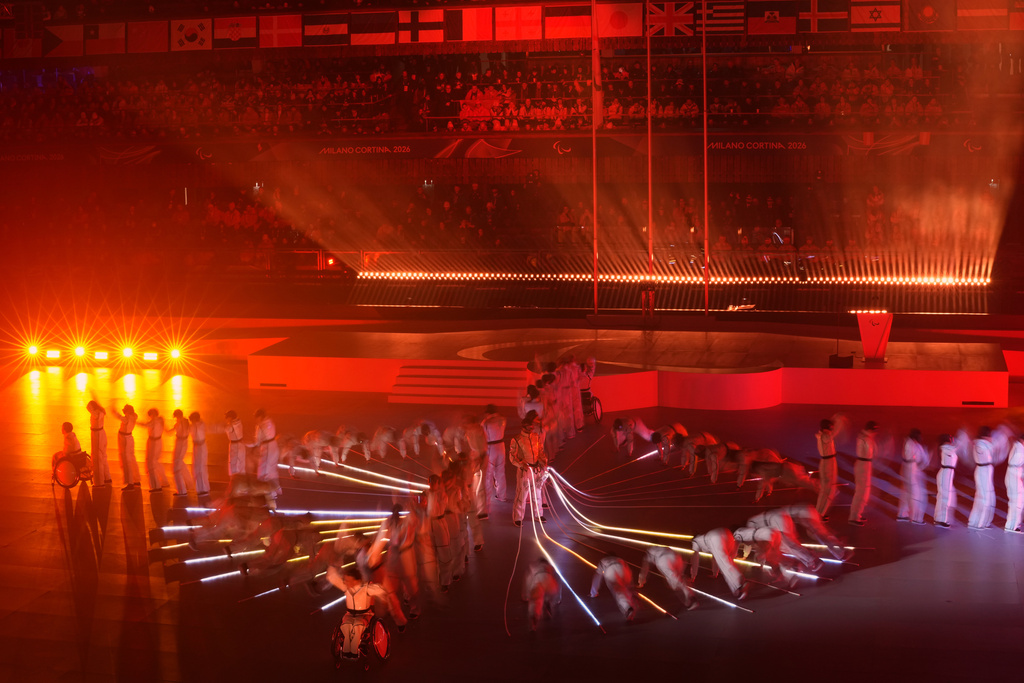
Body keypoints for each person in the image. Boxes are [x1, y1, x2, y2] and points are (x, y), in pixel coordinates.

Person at [326, 565, 394, 659]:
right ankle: (347, 650)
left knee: (357, 626)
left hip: (364, 615)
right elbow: (333, 578)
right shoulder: (346, 587)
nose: (345, 582)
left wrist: (385, 601)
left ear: (356, 581)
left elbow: (381, 591)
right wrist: (331, 566)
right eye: (345, 580)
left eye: (348, 580)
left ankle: (353, 651)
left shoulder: (366, 589)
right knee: (346, 625)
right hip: (349, 614)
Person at [749, 504, 849, 563]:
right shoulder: (780, 513)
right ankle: (839, 549)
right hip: (806, 510)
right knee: (820, 534)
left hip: (803, 512)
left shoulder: (779, 515)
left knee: (818, 535)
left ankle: (839, 552)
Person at [508, 413, 548, 526]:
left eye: (532, 427)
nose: (531, 429)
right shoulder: (517, 439)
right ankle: (518, 517)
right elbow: (512, 456)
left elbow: (540, 451)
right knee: (522, 494)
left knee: (537, 492)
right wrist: (521, 464)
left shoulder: (536, 437)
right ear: (523, 427)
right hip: (524, 471)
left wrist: (543, 462)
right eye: (529, 427)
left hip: (536, 469)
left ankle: (538, 514)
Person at [690, 528, 748, 599]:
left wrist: (693, 576)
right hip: (727, 533)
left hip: (715, 537)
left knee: (724, 565)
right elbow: (715, 557)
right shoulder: (704, 538)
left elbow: (695, 558)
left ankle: (739, 587)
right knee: (728, 561)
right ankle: (739, 582)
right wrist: (715, 574)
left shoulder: (695, 541)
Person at [637, 546, 697, 611]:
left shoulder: (647, 555)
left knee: (675, 582)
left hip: (663, 559)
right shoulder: (656, 548)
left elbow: (644, 568)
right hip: (674, 555)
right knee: (679, 578)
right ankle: (689, 595)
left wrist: (641, 581)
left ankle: (691, 598)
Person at [815, 416, 847, 519]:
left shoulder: (821, 435)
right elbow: (832, 434)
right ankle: (820, 515)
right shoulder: (825, 436)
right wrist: (839, 423)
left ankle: (818, 513)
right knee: (829, 490)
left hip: (825, 462)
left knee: (824, 490)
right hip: (829, 463)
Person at [589, 554, 639, 621]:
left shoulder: (603, 560)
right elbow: (629, 572)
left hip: (610, 570)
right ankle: (633, 597)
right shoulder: (619, 559)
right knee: (626, 588)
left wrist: (593, 593)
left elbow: (597, 576)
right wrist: (632, 586)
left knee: (619, 592)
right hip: (624, 569)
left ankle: (628, 608)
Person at [849, 421, 878, 526]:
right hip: (863, 465)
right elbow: (868, 453)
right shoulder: (864, 438)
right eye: (874, 430)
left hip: (865, 465)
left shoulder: (866, 437)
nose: (875, 433)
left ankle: (857, 514)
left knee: (864, 492)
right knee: (861, 492)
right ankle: (854, 517)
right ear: (870, 430)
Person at [898, 429, 930, 524]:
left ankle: (902, 514)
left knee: (907, 493)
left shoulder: (914, 444)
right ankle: (915, 518)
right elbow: (912, 457)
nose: (921, 438)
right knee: (915, 494)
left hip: (911, 469)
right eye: (920, 436)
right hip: (910, 470)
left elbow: (922, 459)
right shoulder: (910, 444)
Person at [968, 427, 996, 529]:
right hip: (983, 471)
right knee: (984, 498)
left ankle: (982, 522)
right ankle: (978, 523)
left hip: (985, 471)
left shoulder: (981, 444)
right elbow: (989, 452)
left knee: (987, 497)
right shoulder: (981, 444)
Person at [481, 405, 508, 512]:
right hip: (501, 446)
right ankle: (502, 495)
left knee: (489, 474)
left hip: (490, 447)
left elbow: (483, 436)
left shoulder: (485, 422)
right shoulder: (503, 419)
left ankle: (487, 500)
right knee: (500, 471)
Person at [523, 558, 561, 630]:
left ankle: (534, 623)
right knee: (549, 594)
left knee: (536, 602)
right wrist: (558, 598)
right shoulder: (550, 567)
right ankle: (547, 603)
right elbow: (557, 579)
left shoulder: (533, 567)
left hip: (538, 581)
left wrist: (527, 595)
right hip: (549, 580)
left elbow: (528, 580)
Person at [136, 408, 168, 493]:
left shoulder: (154, 421)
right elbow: (166, 430)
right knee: (157, 462)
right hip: (159, 441)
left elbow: (144, 425)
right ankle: (164, 481)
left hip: (153, 442)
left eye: (150, 415)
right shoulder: (160, 420)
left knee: (150, 463)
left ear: (152, 414)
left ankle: (156, 486)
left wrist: (136, 422)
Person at [112, 404, 141, 490]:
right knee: (132, 459)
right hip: (129, 438)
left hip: (124, 439)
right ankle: (136, 480)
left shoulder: (127, 418)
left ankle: (130, 482)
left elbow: (119, 417)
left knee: (126, 461)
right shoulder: (134, 416)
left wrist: (114, 410)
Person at [252, 409, 280, 498]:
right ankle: (276, 489)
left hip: (267, 447)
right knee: (272, 469)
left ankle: (270, 493)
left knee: (265, 471)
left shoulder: (260, 425)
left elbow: (257, 441)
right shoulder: (270, 421)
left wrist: (250, 445)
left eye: (256, 417)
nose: (256, 419)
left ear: (260, 416)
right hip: (274, 445)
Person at [933, 434, 958, 528]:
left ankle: (941, 518)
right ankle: (940, 520)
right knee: (944, 497)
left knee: (948, 496)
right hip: (945, 474)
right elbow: (955, 447)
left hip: (948, 474)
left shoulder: (948, 448)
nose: (952, 440)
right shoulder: (944, 447)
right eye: (950, 438)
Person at [86, 401, 111, 486]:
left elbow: (94, 414)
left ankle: (100, 481)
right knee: (103, 457)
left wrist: (90, 409)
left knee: (98, 458)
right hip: (98, 433)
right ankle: (107, 477)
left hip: (97, 435)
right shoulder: (99, 412)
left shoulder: (97, 413)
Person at [169, 409, 192, 496]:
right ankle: (189, 483)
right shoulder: (186, 422)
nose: (175, 418)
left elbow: (170, 432)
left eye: (176, 417)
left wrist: (163, 428)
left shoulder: (179, 423)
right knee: (180, 462)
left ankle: (182, 490)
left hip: (180, 443)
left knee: (177, 465)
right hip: (184, 442)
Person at [1004, 434, 1024, 533]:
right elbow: (1017, 465)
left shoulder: (1016, 446)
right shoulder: (1020, 449)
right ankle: (1012, 526)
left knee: (1017, 501)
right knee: (1016, 502)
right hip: (1014, 477)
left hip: (1013, 475)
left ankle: (1014, 524)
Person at [190, 412, 210, 496]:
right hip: (196, 447)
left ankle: (204, 489)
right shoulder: (192, 426)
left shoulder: (201, 425)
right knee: (196, 468)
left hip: (201, 446)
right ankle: (199, 489)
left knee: (201, 467)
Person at [225, 410, 246, 476]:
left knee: (234, 466)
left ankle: (234, 481)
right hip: (241, 445)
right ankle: (242, 481)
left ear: (230, 417)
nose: (226, 419)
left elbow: (223, 429)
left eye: (227, 417)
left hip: (235, 446)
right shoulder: (239, 422)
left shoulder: (231, 426)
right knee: (241, 466)